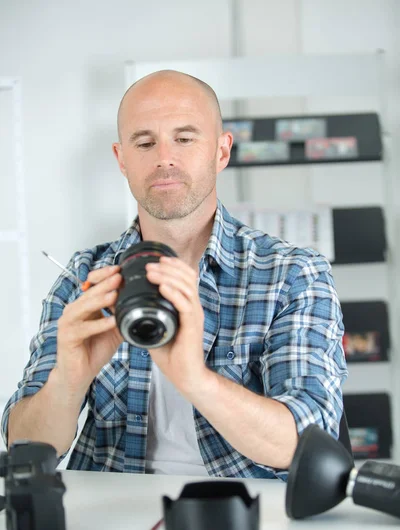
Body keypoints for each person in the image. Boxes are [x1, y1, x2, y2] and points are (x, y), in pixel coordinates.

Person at [1, 70, 348, 478]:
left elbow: (306, 444)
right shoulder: (85, 276)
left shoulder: (292, 274)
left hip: (247, 514)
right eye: (145, 142)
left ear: (221, 152)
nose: (164, 157)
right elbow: (24, 447)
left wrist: (194, 379)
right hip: (109, 514)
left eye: (184, 139)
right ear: (122, 160)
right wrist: (68, 380)